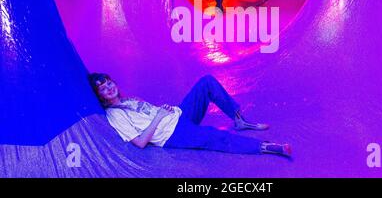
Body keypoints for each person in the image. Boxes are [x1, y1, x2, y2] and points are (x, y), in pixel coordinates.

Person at [88, 73, 292, 157]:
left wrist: (162, 110)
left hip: (178, 115)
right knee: (213, 136)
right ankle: (264, 147)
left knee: (207, 82)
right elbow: (140, 142)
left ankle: (239, 120)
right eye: (103, 90)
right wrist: (159, 117)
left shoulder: (129, 100)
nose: (109, 88)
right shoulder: (115, 115)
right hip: (172, 134)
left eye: (109, 83)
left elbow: (149, 114)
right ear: (101, 98)